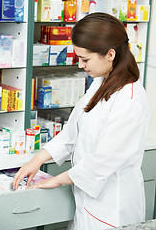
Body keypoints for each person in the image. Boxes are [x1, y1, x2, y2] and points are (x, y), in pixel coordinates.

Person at [13, 13, 150, 229]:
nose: (80, 65)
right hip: (87, 202)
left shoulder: (129, 99)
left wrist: (57, 180)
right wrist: (37, 160)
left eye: (85, 59)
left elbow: (103, 160)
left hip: (112, 207)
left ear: (110, 54)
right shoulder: (100, 83)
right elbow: (73, 130)